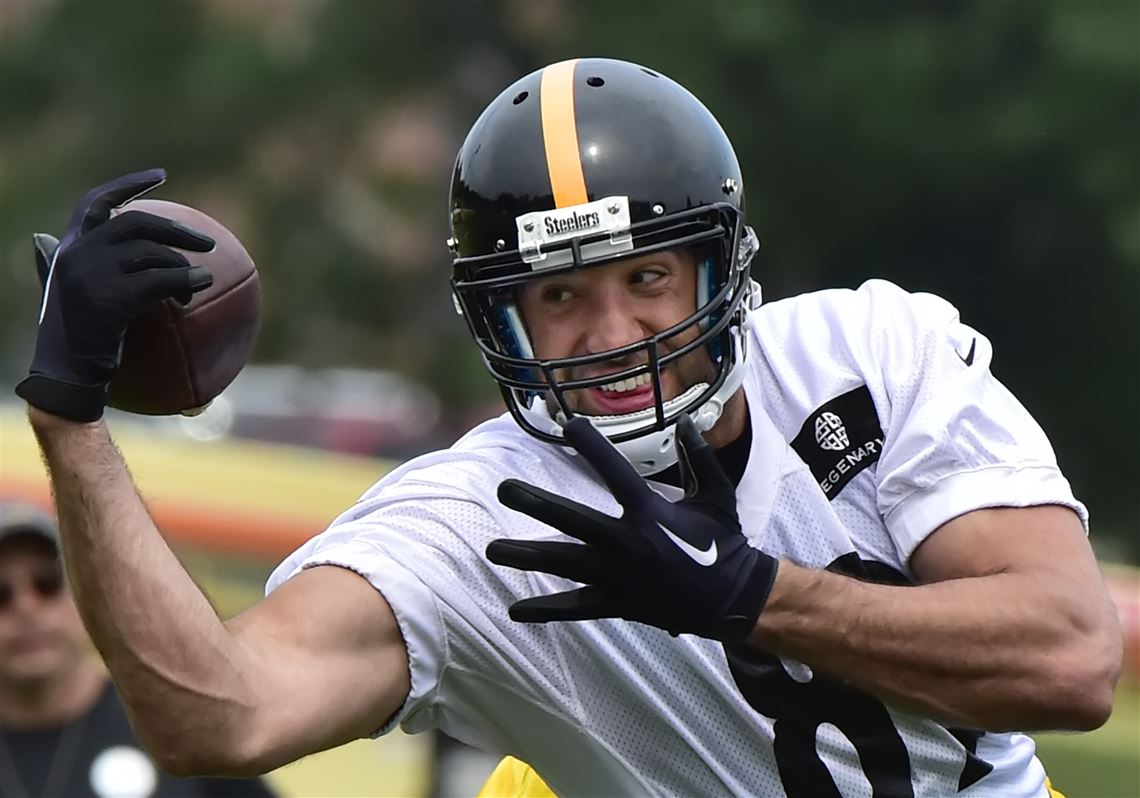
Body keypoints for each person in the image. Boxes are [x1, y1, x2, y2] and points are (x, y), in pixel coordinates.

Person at [14, 58, 1122, 797]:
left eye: (646, 275)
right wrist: (70, 420)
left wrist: (750, 596)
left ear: (722, 270)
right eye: (556, 295)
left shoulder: (862, 357)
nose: (610, 329)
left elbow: (1071, 661)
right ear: (501, 320)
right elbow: (220, 716)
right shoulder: (478, 517)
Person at [0, 500, 277, 798]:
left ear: (84, 592)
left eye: (47, 584)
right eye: (1, 594)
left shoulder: (175, 719)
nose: (26, 608)